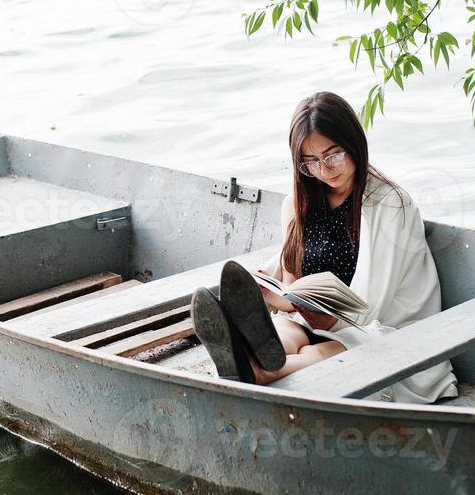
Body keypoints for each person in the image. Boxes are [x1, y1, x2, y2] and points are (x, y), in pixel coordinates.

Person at [189, 91, 458, 403]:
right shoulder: (299, 202)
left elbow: (375, 306)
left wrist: (326, 319)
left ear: (354, 143)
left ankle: (259, 371)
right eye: (311, 162)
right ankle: (246, 354)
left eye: (333, 155)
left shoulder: (390, 205)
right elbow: (291, 279)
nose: (325, 170)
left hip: (382, 329)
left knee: (331, 348)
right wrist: (278, 293)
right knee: (285, 333)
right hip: (311, 320)